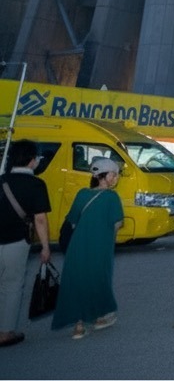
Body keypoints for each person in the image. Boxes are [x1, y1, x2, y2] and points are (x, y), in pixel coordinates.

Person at [52, 157, 125, 339]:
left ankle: (78, 326)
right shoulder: (111, 197)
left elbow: (72, 220)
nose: (116, 178)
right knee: (98, 278)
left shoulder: (82, 194)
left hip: (78, 244)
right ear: (103, 176)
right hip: (101, 245)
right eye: (113, 175)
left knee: (78, 280)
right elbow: (117, 223)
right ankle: (99, 317)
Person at [0, 140, 52, 348]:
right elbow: (40, 219)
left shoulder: (2, 180)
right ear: (31, 160)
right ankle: (5, 332)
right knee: (12, 285)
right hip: (17, 241)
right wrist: (45, 247)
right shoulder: (36, 184)